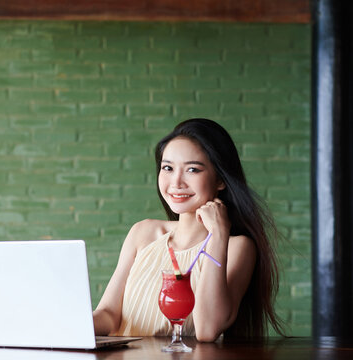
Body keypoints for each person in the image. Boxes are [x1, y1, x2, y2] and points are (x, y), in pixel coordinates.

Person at [92, 118, 284, 341]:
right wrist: (67, 324)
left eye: (192, 169)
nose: (176, 182)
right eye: (168, 168)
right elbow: (108, 314)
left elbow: (207, 330)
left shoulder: (237, 247)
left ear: (220, 179)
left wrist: (219, 235)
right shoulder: (143, 233)